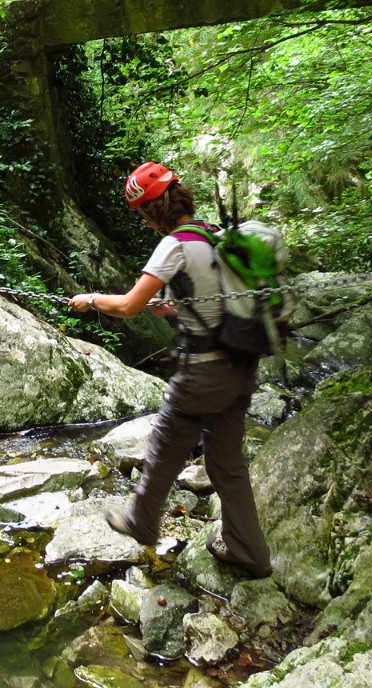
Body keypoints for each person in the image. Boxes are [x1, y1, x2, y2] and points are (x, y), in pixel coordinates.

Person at [67, 161, 272, 579]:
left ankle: (143, 519)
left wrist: (89, 299)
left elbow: (127, 305)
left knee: (164, 441)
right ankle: (251, 552)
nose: (144, 222)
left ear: (153, 209)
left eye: (142, 212)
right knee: (226, 462)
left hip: (204, 371)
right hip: (241, 367)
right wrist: (176, 308)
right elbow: (220, 301)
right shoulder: (218, 235)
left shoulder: (175, 244)